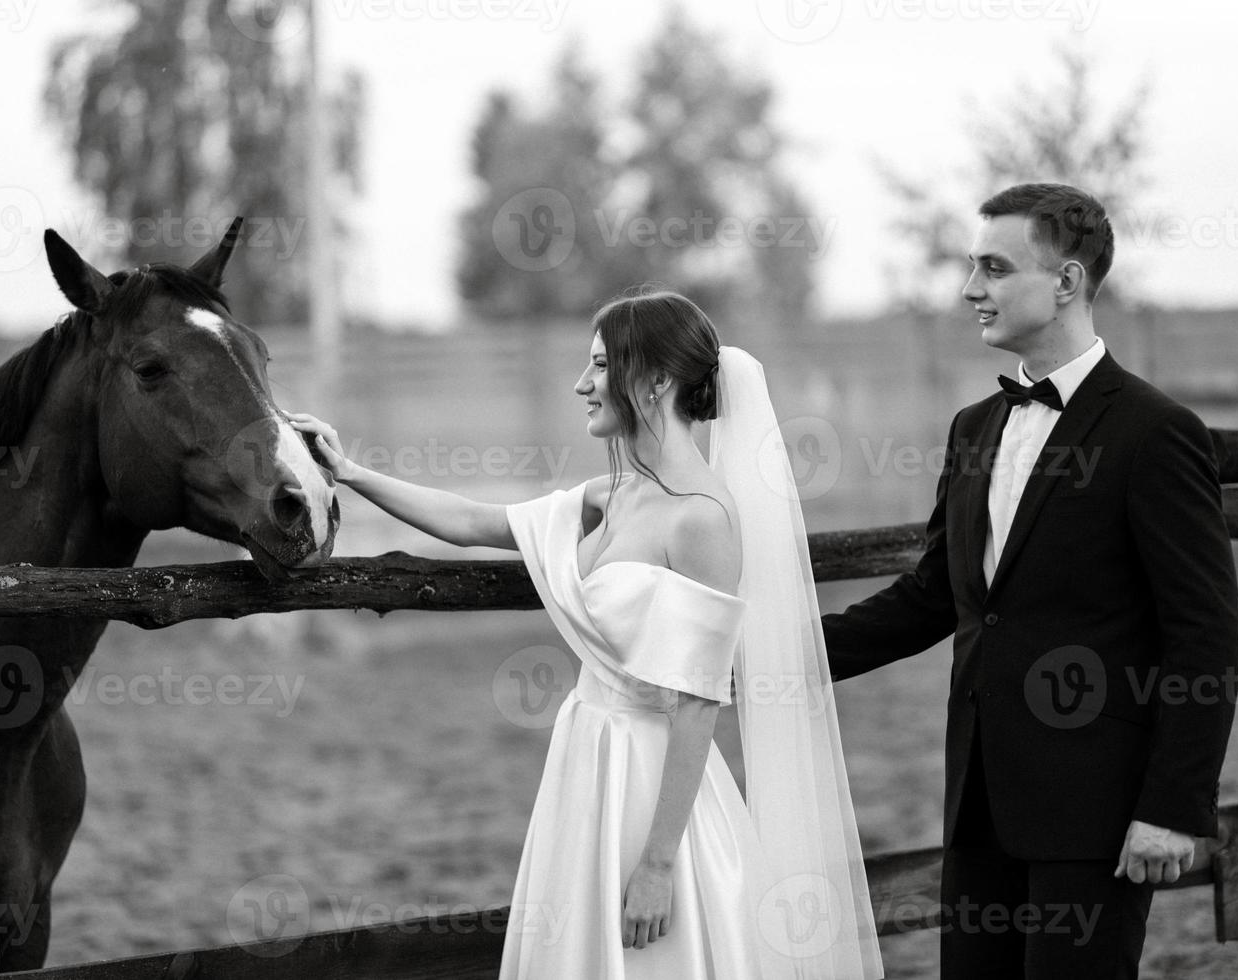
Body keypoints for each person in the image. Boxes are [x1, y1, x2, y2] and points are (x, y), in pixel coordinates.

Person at [287, 290, 882, 978]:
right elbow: (473, 522)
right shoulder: (616, 493)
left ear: (656, 380)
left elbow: (697, 704)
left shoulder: (704, 520)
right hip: (584, 760)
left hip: (653, 785)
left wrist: (658, 864)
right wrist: (351, 472)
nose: (581, 384)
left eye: (600, 366)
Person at [822, 183, 1238, 979]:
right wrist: (780, 653)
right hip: (978, 798)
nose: (969, 289)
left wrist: (1172, 809)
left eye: (992, 267)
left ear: (1066, 283)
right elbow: (935, 598)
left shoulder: (1155, 433)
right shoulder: (974, 429)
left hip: (1099, 810)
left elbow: (1207, 633)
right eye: (971, 267)